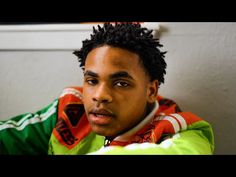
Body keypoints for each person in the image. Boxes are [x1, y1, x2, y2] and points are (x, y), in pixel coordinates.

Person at [0, 22, 214, 155]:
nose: (100, 95)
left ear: (151, 91)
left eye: (121, 83)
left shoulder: (181, 129)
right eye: (92, 81)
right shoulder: (70, 109)